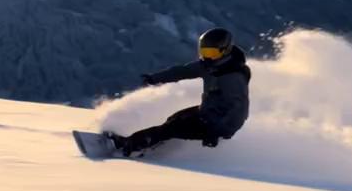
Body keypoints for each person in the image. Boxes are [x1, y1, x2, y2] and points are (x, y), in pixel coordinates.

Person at [108, 28, 252, 157]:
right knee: (175, 119)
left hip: (218, 124)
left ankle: (128, 146)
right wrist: (154, 78)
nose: (207, 57)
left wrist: (216, 132)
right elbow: (182, 71)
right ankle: (150, 148)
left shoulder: (232, 76)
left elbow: (239, 110)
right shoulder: (210, 65)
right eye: (204, 52)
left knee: (171, 128)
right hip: (207, 112)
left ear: (225, 51)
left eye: (212, 53)